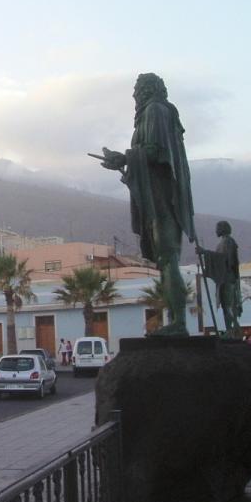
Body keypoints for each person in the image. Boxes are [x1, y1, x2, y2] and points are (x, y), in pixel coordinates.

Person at [95, 73, 196, 336]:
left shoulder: (155, 111)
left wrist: (124, 157)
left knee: (169, 257)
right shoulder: (158, 113)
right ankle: (175, 321)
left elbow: (155, 152)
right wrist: (123, 161)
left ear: (147, 90)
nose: (134, 95)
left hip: (162, 197)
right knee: (165, 260)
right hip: (157, 195)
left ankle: (180, 323)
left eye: (137, 89)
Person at [197, 221, 242, 337]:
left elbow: (225, 259)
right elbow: (220, 259)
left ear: (223, 228)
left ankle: (233, 330)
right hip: (224, 279)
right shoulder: (222, 243)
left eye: (217, 228)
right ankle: (230, 330)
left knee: (228, 306)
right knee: (225, 306)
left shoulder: (228, 241)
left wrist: (205, 252)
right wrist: (205, 253)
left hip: (228, 279)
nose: (216, 230)